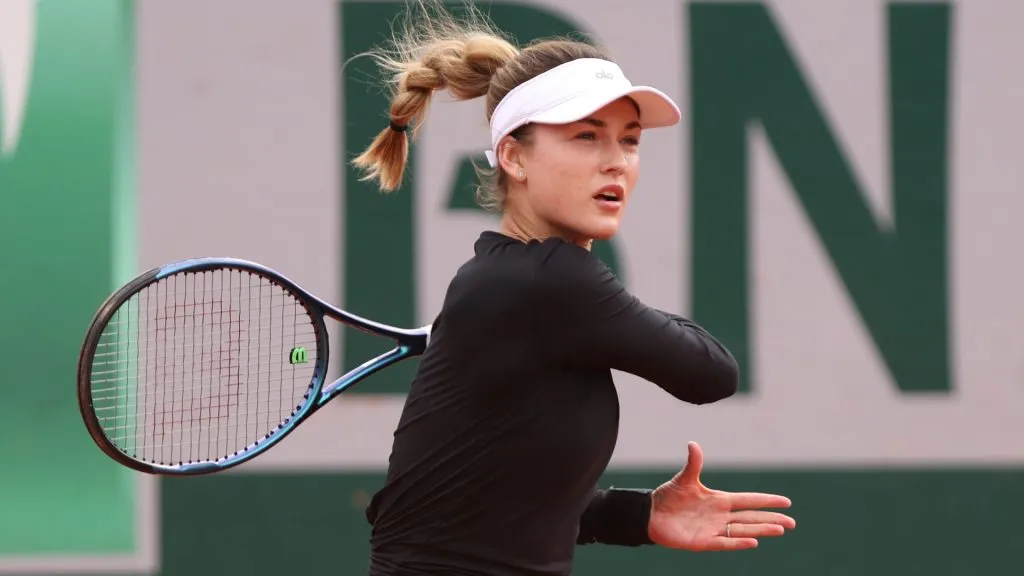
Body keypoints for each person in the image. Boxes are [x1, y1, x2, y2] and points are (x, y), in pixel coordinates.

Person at [351, 2, 796, 574]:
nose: (616, 162)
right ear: (513, 156)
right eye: (587, 137)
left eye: (630, 141)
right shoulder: (556, 282)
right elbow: (711, 373)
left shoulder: (503, 279)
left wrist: (639, 517)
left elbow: (491, 502)